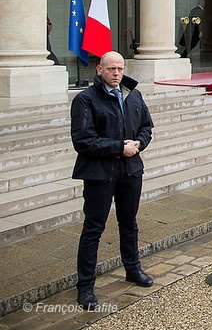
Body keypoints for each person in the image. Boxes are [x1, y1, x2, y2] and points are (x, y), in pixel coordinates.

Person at [70, 51, 154, 310]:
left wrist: (139, 143)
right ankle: (85, 287)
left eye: (119, 68)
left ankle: (132, 269)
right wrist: (119, 147)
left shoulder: (133, 95)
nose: (116, 73)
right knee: (93, 229)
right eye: (110, 69)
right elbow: (83, 140)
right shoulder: (85, 99)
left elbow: (147, 127)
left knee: (129, 223)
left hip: (130, 170)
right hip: (100, 173)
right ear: (99, 70)